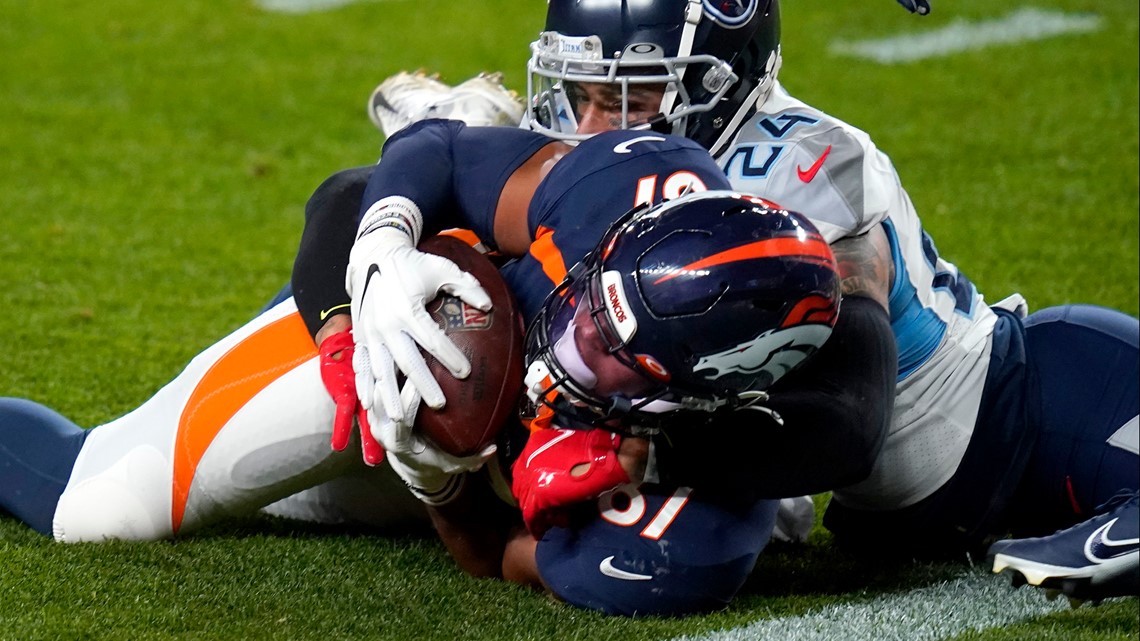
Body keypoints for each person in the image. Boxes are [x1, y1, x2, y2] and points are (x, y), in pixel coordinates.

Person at [345, 0, 1139, 603]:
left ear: (714, 84)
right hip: (889, 510)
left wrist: (649, 452)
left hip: (1028, 405)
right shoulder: (628, 164)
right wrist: (381, 253)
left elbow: (849, 416)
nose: (589, 126)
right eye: (578, 93)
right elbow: (434, 159)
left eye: (627, 98)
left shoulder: (801, 169)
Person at [0, 126, 896, 618]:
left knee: (294, 504)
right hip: (419, 336)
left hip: (451, 458)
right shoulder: (626, 193)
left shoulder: (681, 547)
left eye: (606, 354)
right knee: (97, 503)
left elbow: (484, 555)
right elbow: (383, 175)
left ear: (695, 402)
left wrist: (437, 476)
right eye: (588, 302)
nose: (569, 339)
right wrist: (378, 265)